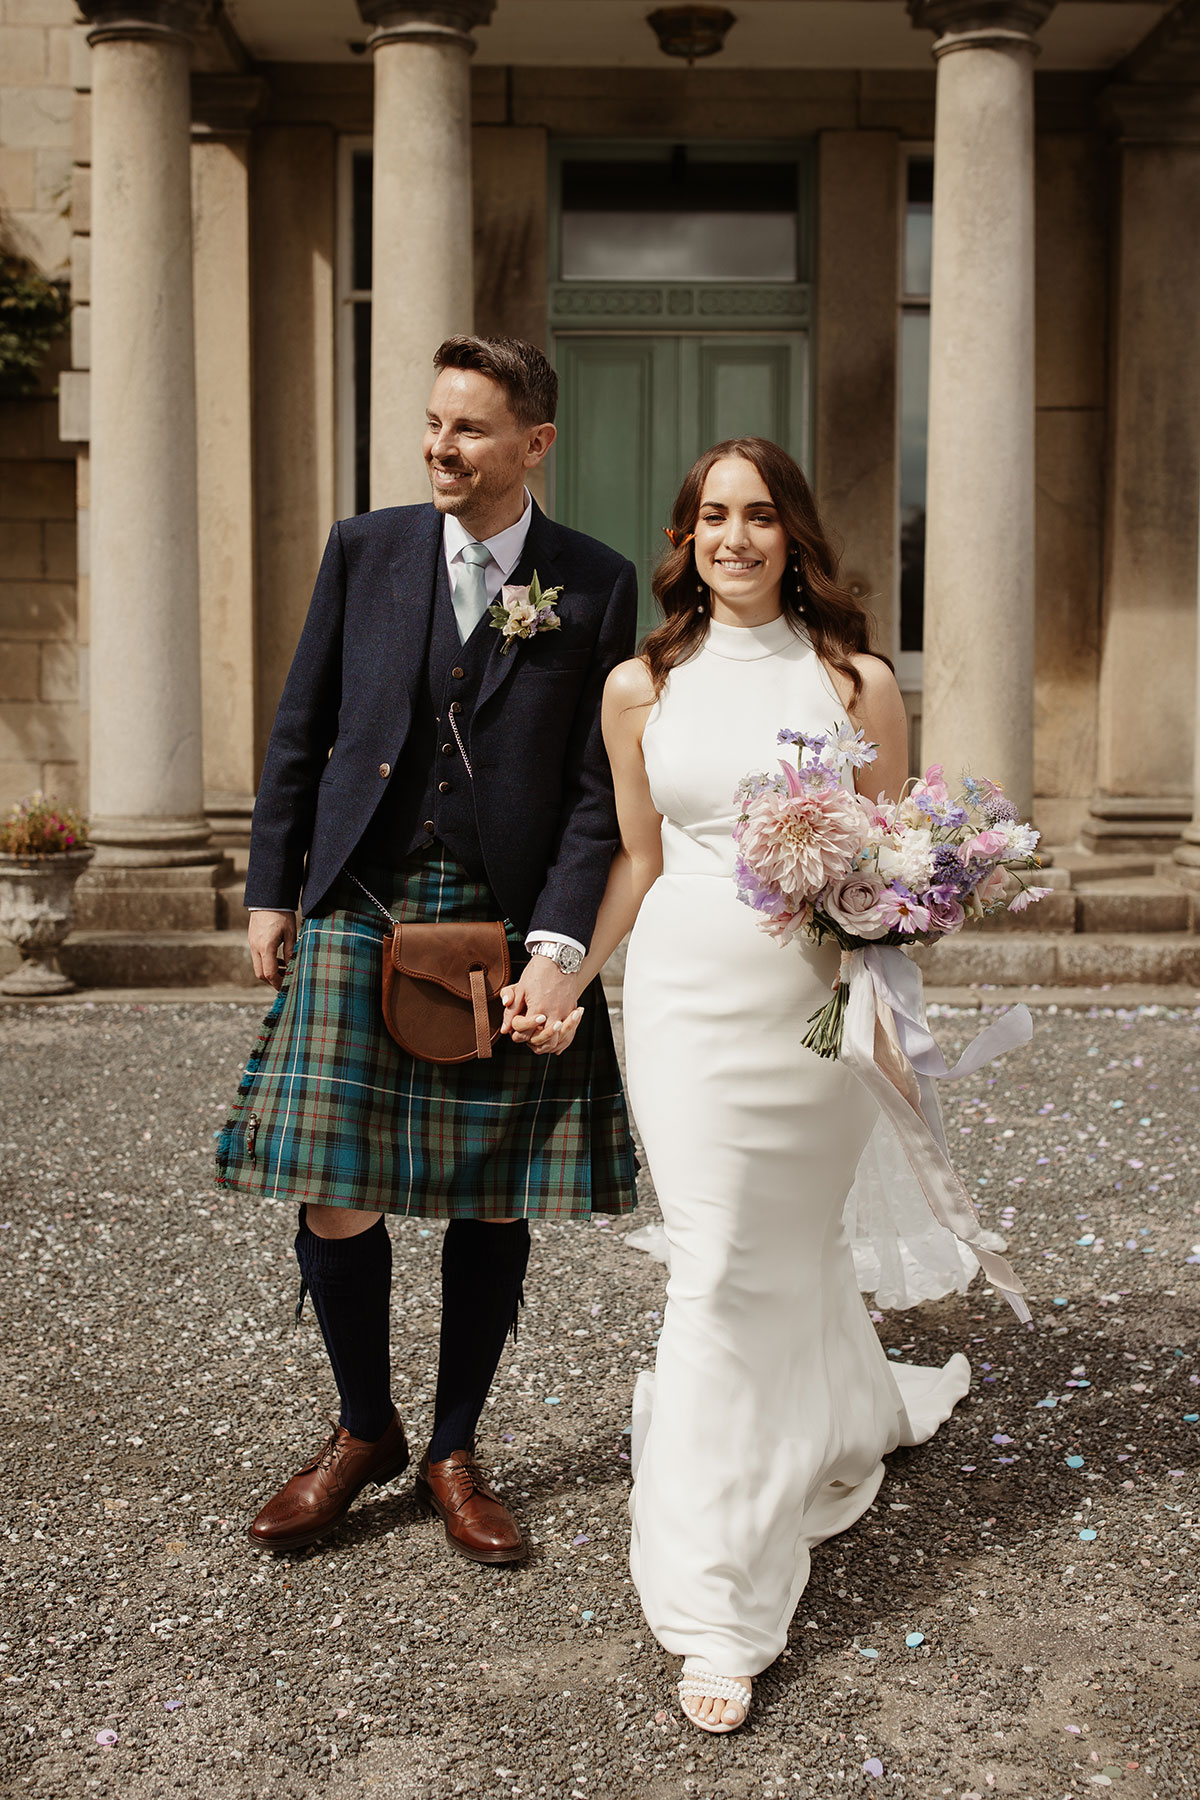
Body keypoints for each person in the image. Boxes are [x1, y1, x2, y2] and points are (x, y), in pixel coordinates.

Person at [553, 438, 970, 1731]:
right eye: (713, 517)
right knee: (720, 1265)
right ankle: (719, 1608)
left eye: (760, 516)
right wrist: (566, 977)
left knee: (783, 1255)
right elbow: (635, 858)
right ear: (686, 538)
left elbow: (898, 875)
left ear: (794, 534)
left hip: (810, 1016)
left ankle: (841, 1412)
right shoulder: (638, 685)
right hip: (684, 1003)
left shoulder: (857, 681)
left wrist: (891, 1001)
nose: (736, 537)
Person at [216, 335, 639, 1565]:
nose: (439, 448)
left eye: (468, 429)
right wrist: (268, 888)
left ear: (533, 445)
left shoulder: (594, 583)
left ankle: (455, 1445)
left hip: (503, 914)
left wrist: (558, 946)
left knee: (487, 1189)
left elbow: (592, 797)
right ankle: (363, 1430)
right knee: (335, 1189)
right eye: (432, 424)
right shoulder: (367, 549)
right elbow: (303, 725)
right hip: (359, 895)